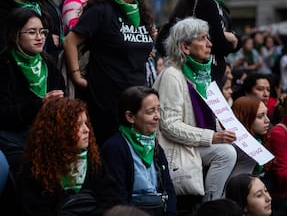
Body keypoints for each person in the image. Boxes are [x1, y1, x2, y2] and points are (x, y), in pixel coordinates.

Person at [63, 0, 155, 146]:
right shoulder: (101, 11)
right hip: (107, 103)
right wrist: (76, 77)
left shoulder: (141, 15)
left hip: (137, 100)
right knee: (110, 155)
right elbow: (70, 41)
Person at [152, 17, 237, 203]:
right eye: (202, 39)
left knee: (245, 148)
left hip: (195, 142)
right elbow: (170, 126)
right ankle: (212, 206)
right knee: (226, 153)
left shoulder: (202, 75)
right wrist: (212, 137)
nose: (209, 44)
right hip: (179, 147)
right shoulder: (171, 75)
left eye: (208, 38)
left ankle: (232, 200)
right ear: (185, 47)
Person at [17, 97, 121, 215]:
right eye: (78, 125)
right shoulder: (35, 170)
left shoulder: (94, 161)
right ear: (59, 131)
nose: (86, 130)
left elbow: (112, 200)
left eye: (85, 123)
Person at [0, 8, 65, 174]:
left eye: (43, 32)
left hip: (47, 135)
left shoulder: (49, 66)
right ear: (15, 35)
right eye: (32, 32)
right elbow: (4, 115)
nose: (40, 37)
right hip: (12, 139)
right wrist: (40, 104)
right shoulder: (4, 65)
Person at [156, 0, 240, 82]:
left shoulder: (212, 2)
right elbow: (219, 43)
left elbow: (222, 39)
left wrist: (232, 38)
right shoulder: (205, 2)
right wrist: (232, 40)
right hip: (204, 71)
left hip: (205, 69)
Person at [101, 86, 177, 215]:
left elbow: (168, 189)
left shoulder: (156, 147)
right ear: (130, 116)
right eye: (150, 111)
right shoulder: (115, 148)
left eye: (158, 110)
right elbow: (117, 197)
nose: (157, 116)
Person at [231, 96, 270, 178]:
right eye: (260, 116)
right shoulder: (238, 146)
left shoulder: (261, 138)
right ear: (245, 118)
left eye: (266, 114)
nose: (267, 120)